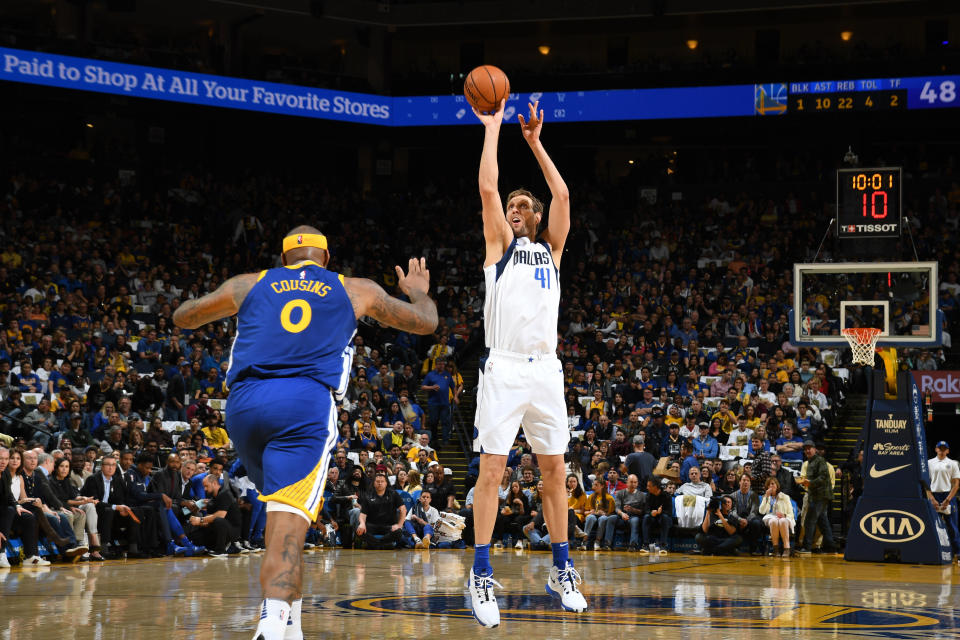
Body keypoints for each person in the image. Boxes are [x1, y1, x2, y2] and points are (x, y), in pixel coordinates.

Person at [172, 225, 437, 640]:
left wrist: (197, 296)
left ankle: (292, 622)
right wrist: (418, 290)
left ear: (283, 261)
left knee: (284, 511)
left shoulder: (249, 284)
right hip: (303, 405)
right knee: (287, 526)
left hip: (242, 408)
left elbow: (184, 317)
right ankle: (272, 621)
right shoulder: (355, 289)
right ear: (326, 260)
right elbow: (426, 322)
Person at [468, 98, 586, 627]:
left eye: (522, 207)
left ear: (535, 218)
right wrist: (493, 128)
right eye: (510, 207)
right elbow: (488, 189)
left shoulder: (552, 252)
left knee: (555, 470)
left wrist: (536, 143)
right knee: (492, 468)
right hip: (506, 366)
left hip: (546, 370)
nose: (513, 209)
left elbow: (562, 192)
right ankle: (481, 572)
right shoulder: (500, 247)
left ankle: (561, 569)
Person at [796, 440, 837, 554]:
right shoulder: (810, 461)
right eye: (805, 449)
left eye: (810, 448)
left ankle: (807, 547)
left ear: (815, 449)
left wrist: (810, 483)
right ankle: (831, 547)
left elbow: (823, 477)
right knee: (823, 522)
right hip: (817, 495)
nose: (807, 450)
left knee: (809, 520)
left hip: (820, 496)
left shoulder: (820, 460)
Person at [188, 473, 242, 557]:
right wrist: (198, 522)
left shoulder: (225, 494)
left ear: (214, 483)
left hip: (232, 530)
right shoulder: (212, 497)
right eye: (204, 487)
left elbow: (220, 516)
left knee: (218, 520)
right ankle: (213, 547)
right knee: (195, 537)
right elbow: (209, 517)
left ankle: (222, 550)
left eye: (206, 486)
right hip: (218, 529)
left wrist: (200, 520)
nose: (205, 489)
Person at [926, 440, 960, 563]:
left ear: (948, 451)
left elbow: (956, 484)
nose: (942, 450)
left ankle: (958, 554)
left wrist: (948, 499)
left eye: (944, 448)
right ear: (936, 449)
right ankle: (931, 552)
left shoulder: (952, 463)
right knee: (932, 525)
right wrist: (932, 498)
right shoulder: (929, 463)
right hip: (934, 495)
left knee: (952, 526)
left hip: (948, 496)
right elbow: (926, 483)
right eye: (940, 448)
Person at [356, 473, 406, 549]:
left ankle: (375, 544)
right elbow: (363, 514)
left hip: (389, 526)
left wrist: (399, 525)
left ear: (386, 483)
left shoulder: (393, 493)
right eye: (377, 481)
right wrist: (362, 523)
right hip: (372, 525)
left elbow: (403, 509)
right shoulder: (368, 495)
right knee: (358, 530)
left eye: (382, 481)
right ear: (374, 483)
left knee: (398, 532)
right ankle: (383, 544)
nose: (380, 483)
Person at [759, 477, 796, 557]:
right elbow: (762, 511)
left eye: (773, 484)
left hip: (783, 517)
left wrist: (784, 515)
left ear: (777, 485)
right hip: (770, 517)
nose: (771, 486)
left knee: (782, 521)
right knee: (774, 521)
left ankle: (787, 548)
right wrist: (766, 497)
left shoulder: (785, 497)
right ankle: (776, 549)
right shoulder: (765, 497)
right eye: (769, 485)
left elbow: (791, 513)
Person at [729, 473, 763, 555]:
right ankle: (733, 547)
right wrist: (740, 519)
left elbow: (754, 511)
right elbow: (732, 511)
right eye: (744, 480)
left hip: (750, 520)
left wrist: (747, 521)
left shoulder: (754, 495)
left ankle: (753, 549)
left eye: (748, 481)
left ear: (750, 483)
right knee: (730, 519)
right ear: (739, 482)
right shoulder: (732, 495)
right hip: (738, 519)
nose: (746, 482)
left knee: (756, 522)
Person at [609, 474, 645, 551]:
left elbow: (643, 511)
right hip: (621, 516)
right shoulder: (620, 493)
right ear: (627, 483)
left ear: (637, 483)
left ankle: (633, 545)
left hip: (634, 517)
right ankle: (607, 544)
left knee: (635, 521)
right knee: (611, 518)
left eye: (635, 482)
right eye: (631, 482)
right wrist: (622, 514)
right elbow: (617, 507)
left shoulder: (642, 495)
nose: (633, 484)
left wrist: (633, 510)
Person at [641, 477, 672, 554]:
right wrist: (651, 513)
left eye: (649, 486)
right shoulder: (648, 495)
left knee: (665, 517)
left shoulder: (666, 496)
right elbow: (645, 510)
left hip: (664, 518)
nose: (647, 488)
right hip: (653, 518)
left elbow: (669, 512)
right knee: (646, 517)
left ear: (655, 487)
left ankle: (663, 545)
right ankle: (646, 545)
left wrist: (661, 512)